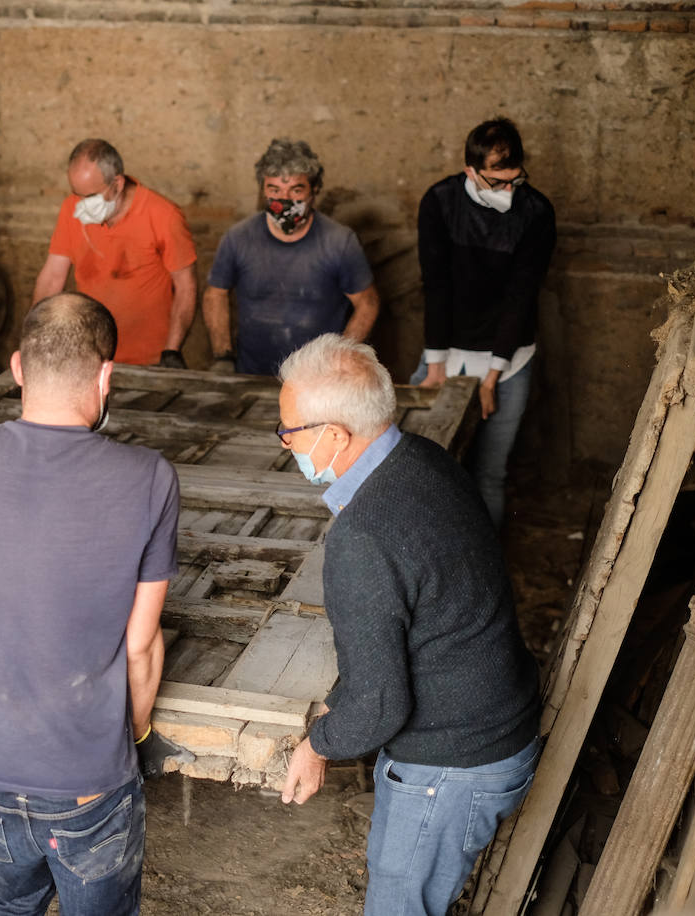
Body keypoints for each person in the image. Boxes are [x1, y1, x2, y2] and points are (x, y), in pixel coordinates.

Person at [0, 292, 192, 915]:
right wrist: (136, 737)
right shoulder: (149, 477)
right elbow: (141, 646)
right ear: (105, 376)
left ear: (18, 368)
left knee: (12, 902)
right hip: (84, 776)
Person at [274, 334, 541, 916]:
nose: (286, 442)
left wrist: (318, 746)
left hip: (451, 767)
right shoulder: (423, 459)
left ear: (336, 436)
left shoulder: (363, 537)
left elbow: (378, 707)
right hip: (496, 724)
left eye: (289, 432)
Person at [412, 117, 556, 525]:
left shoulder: (536, 212)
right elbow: (435, 284)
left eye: (515, 178)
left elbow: (521, 297)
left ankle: (484, 566)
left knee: (489, 473)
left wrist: (492, 378)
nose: (508, 189)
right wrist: (436, 366)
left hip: (508, 355)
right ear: (470, 172)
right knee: (423, 462)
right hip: (449, 347)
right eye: (496, 181)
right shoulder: (439, 202)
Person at [203, 138, 380, 376]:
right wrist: (222, 356)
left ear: (314, 190)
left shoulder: (339, 241)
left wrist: (340, 358)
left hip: (317, 379)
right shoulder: (238, 238)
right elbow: (216, 293)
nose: (284, 200)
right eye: (274, 190)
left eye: (295, 190)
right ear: (262, 190)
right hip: (252, 374)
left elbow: (367, 303)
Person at [32, 139, 198, 368]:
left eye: (90, 197)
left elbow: (186, 286)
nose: (81, 205)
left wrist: (172, 351)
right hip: (91, 359)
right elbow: (52, 278)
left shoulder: (163, 216)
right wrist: (34, 337)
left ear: (117, 184)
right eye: (76, 194)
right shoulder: (71, 210)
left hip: (150, 361)